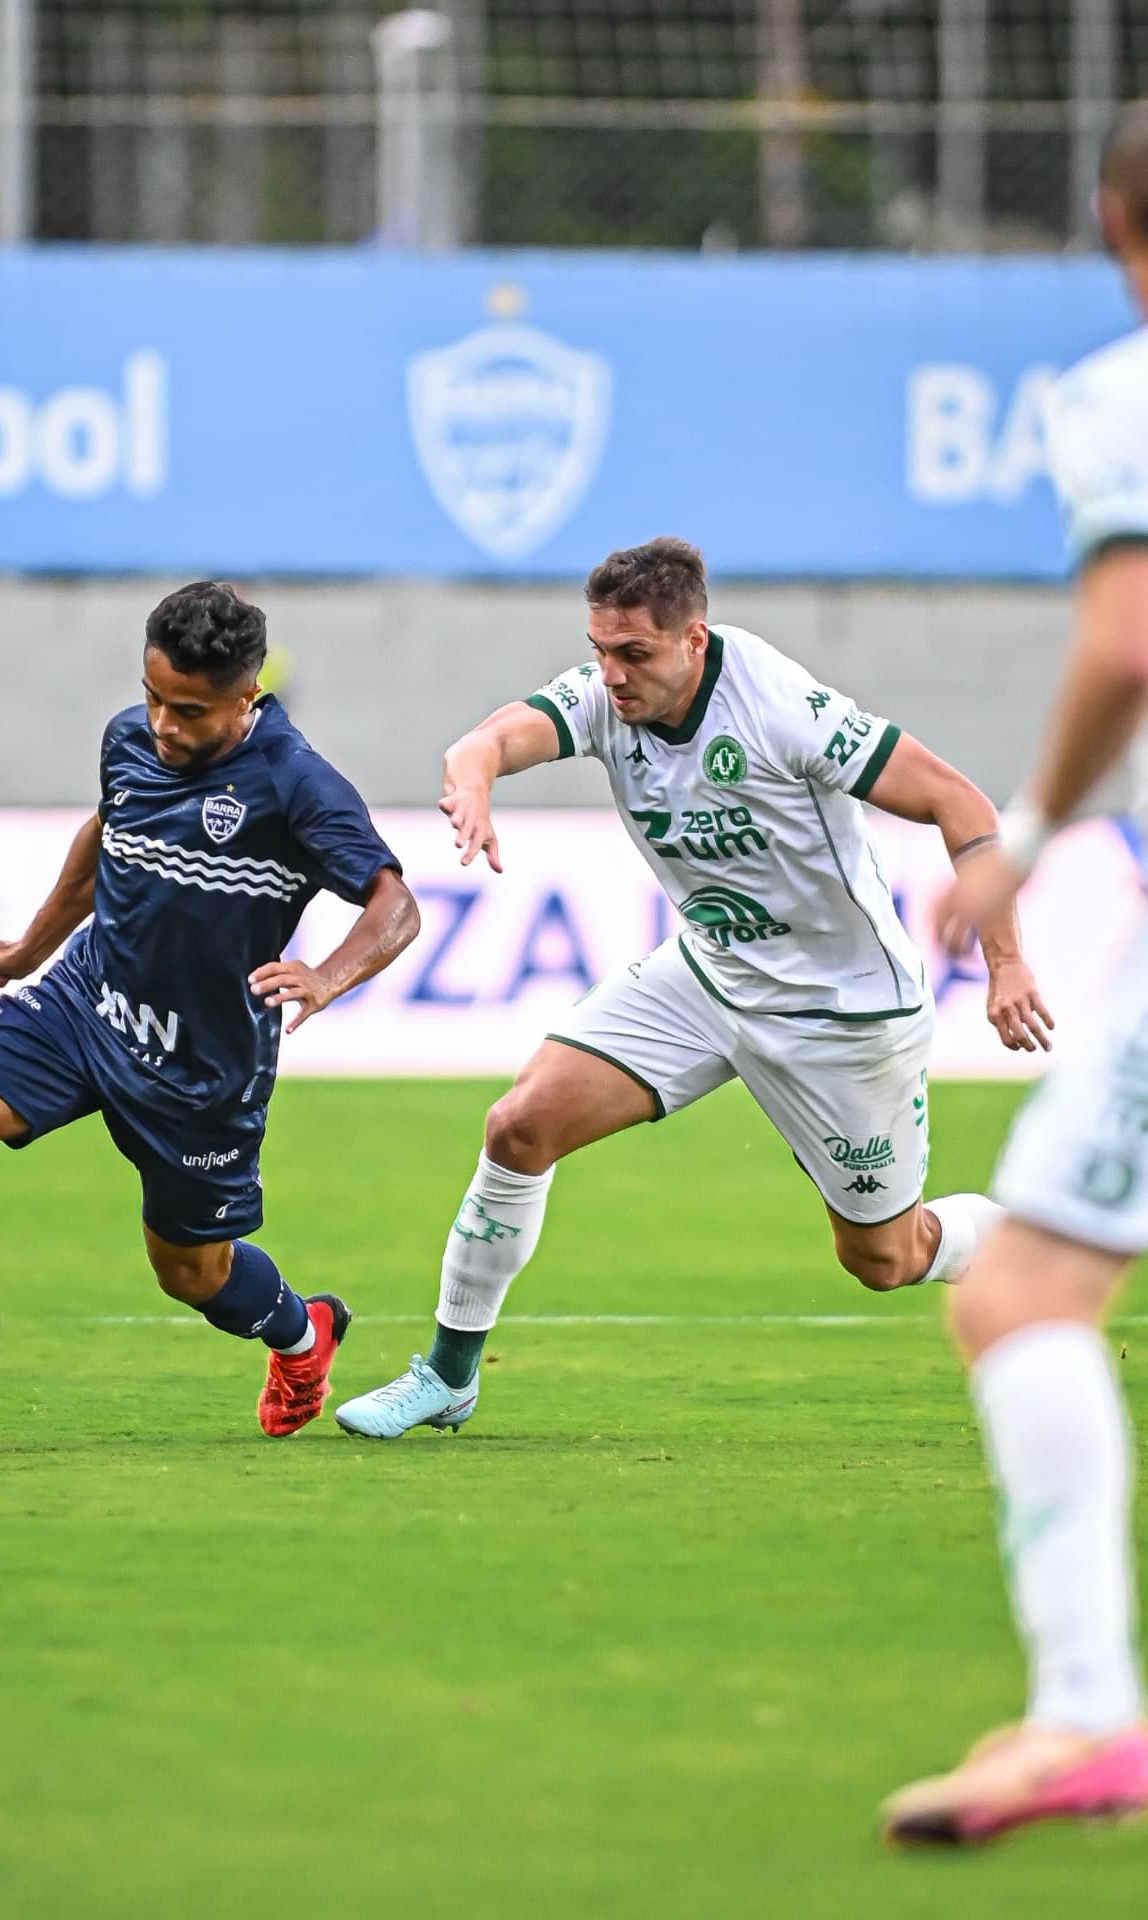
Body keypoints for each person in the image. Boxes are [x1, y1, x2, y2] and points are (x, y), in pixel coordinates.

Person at [335, 535, 1051, 1441]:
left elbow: (963, 805)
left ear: (694, 642)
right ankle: (447, 1373)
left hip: (842, 1015)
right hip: (709, 975)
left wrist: (1009, 960)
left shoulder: (780, 708)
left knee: (883, 1257)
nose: (612, 675)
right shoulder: (605, 696)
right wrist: (473, 783)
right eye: (600, 650)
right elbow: (487, 740)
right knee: (519, 1126)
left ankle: (1032, 1241)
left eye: (633, 654)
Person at [0, 582, 419, 1438]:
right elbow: (106, 831)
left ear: (246, 700)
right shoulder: (128, 739)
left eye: (188, 710)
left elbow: (395, 907)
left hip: (200, 1070)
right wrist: (31, 948)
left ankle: (304, 1336)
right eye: (153, 697)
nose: (162, 724)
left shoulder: (297, 786)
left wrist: (327, 977)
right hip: (84, 1004)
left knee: (191, 1273)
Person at [881, 103, 1148, 1844]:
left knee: (1025, 1290)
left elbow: (1128, 640)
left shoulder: (1118, 393)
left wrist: (1025, 836)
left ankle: (1089, 1722)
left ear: (1120, 223)